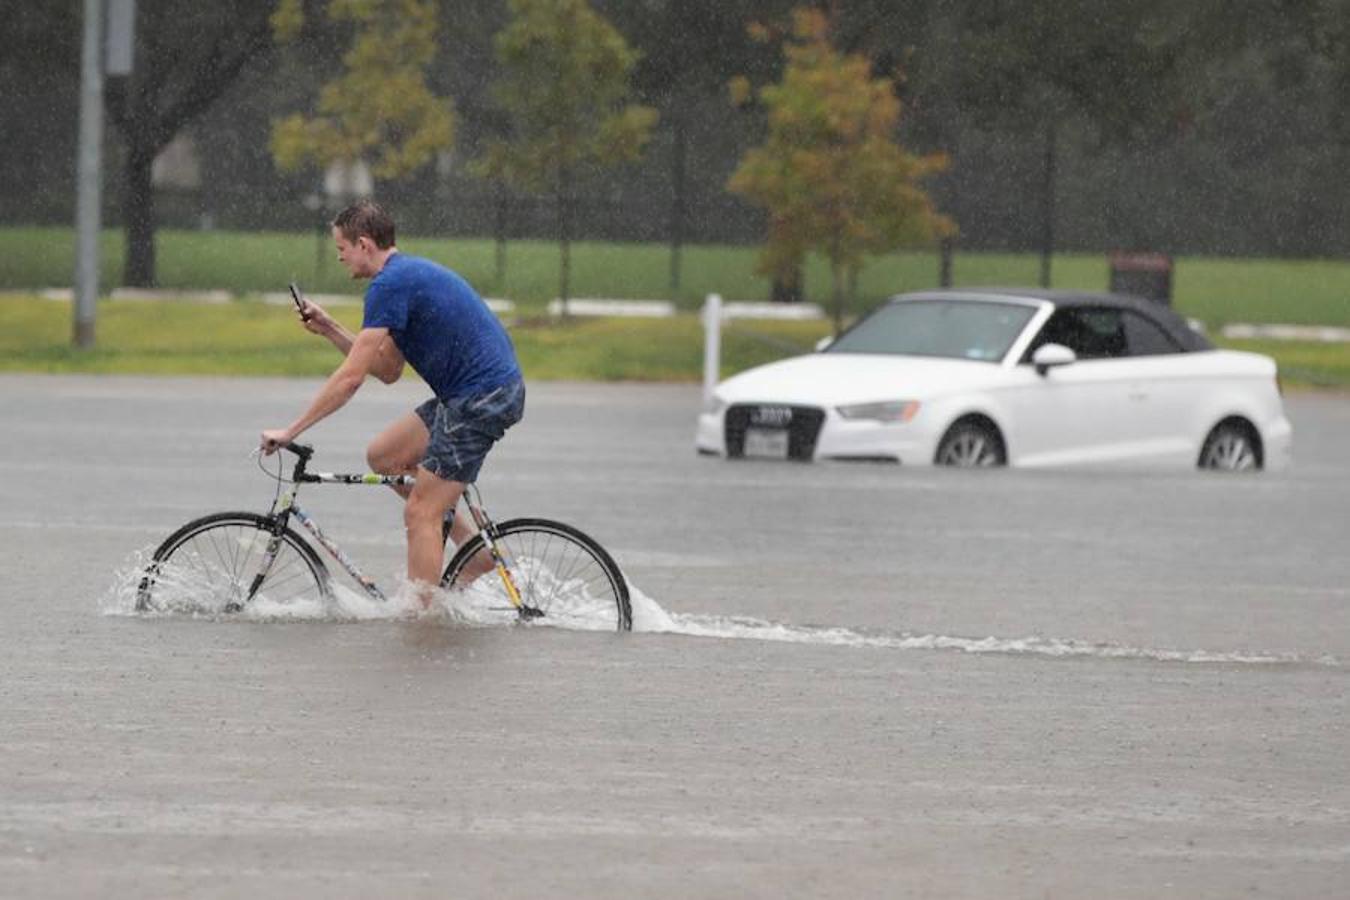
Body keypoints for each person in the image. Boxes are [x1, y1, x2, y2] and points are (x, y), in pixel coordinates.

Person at [261, 199, 524, 607]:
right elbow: (386, 369)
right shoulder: (399, 280)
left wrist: (290, 431)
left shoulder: (390, 284)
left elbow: (350, 379)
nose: (339, 257)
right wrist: (330, 328)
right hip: (470, 394)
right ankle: (474, 551)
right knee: (384, 455)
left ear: (364, 244)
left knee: (421, 512)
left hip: (481, 397)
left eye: (341, 248)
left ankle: (419, 621)